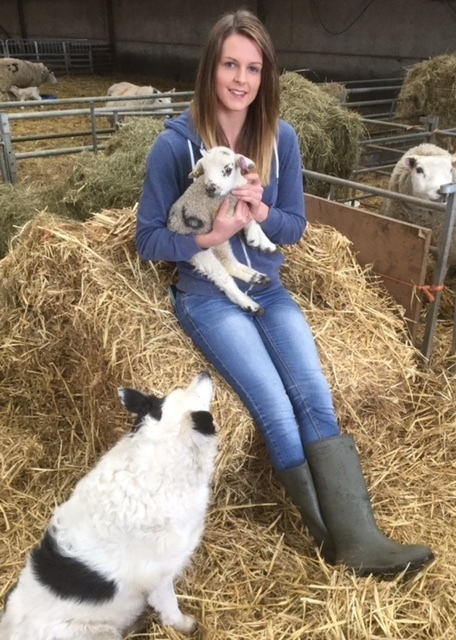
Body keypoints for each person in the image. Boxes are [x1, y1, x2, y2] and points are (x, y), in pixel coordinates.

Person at [136, 8, 434, 577]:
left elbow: (295, 227)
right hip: (206, 295)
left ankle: (361, 535)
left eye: (253, 67)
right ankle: (334, 542)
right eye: (230, 64)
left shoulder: (282, 140)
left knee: (314, 397)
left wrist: (263, 213)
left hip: (269, 290)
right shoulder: (175, 147)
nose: (241, 79)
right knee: (274, 406)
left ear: (266, 77)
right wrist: (214, 232)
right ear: (210, 69)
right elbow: (149, 239)